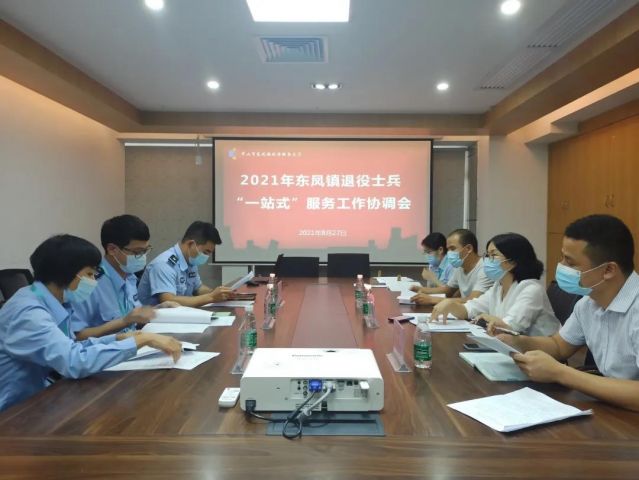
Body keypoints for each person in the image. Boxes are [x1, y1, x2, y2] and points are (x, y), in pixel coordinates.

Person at [0, 235, 182, 412]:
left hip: (38, 399)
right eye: (89, 274)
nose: (94, 281)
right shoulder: (28, 312)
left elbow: (72, 345)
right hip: (13, 413)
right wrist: (140, 341)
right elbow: (73, 361)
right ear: (66, 273)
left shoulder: (49, 299)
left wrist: (120, 338)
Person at [501, 215, 639, 411]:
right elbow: (559, 346)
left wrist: (560, 373)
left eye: (570, 262)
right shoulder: (588, 303)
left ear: (608, 270)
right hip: (613, 408)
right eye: (562, 258)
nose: (561, 267)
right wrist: (518, 341)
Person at [431, 233, 560, 336]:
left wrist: (488, 318)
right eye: (487, 255)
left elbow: (512, 327)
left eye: (493, 255)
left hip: (541, 355)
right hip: (510, 348)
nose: (487, 260)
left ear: (512, 261)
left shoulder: (531, 289)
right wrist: (451, 305)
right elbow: (471, 309)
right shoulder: (498, 287)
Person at [71, 215, 177, 340]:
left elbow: (134, 316)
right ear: (112, 249)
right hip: (108, 349)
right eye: (137, 252)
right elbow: (77, 336)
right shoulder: (89, 283)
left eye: (145, 250)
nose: (143, 257)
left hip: (133, 343)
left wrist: (156, 310)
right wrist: (124, 321)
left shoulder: (129, 276)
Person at [138, 221, 232, 307]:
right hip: (153, 319)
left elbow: (198, 288)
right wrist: (211, 297)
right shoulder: (164, 265)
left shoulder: (190, 260)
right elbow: (169, 300)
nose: (207, 256)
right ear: (191, 244)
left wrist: (218, 294)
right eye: (205, 252)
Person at [411, 229, 493, 305]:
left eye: (452, 249)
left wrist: (432, 299)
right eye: (448, 249)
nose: (449, 253)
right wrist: (420, 289)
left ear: (468, 248)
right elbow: (447, 290)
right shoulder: (460, 266)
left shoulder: (486, 268)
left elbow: (473, 300)